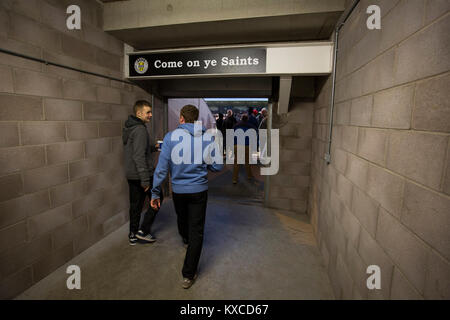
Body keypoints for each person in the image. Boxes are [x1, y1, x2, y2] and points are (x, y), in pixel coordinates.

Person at [150, 105, 223, 289]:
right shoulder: (207, 137)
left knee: (182, 219)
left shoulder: (170, 137)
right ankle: (188, 275)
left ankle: (185, 239)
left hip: (178, 191)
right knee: (197, 229)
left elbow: (161, 169)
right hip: (199, 190)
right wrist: (204, 165)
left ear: (181, 118)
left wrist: (155, 191)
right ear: (196, 119)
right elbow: (217, 166)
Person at [122, 100, 162, 246]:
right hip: (142, 175)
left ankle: (132, 235)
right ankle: (143, 231)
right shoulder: (139, 129)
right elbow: (138, 157)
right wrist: (145, 181)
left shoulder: (131, 127)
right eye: (148, 112)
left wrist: (155, 146)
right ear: (139, 113)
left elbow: (139, 149)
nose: (151, 115)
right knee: (157, 198)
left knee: (135, 205)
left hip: (132, 175)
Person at [232, 113, 257, 184]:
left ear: (241, 119)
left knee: (236, 163)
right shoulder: (251, 126)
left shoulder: (236, 126)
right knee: (247, 161)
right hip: (247, 145)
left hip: (237, 145)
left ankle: (235, 179)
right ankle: (249, 176)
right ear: (247, 119)